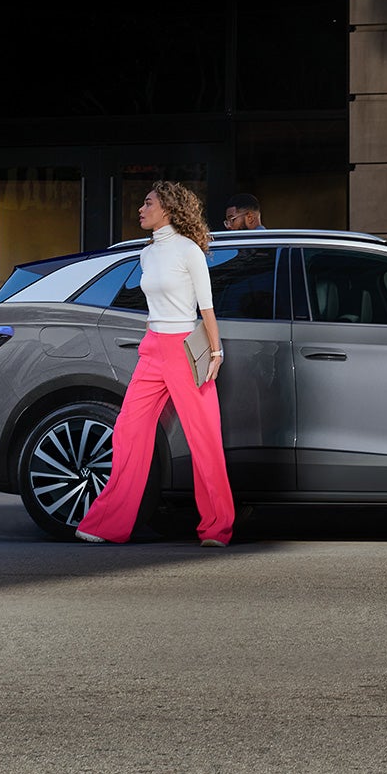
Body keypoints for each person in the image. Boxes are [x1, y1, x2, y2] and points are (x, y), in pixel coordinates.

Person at [75, 181, 236, 547]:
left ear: (168, 208)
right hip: (153, 349)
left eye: (147, 203)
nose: (140, 210)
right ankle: (108, 523)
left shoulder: (188, 250)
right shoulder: (147, 254)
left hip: (183, 349)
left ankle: (217, 528)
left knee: (204, 439)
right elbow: (154, 306)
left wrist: (216, 351)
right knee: (129, 433)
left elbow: (206, 306)